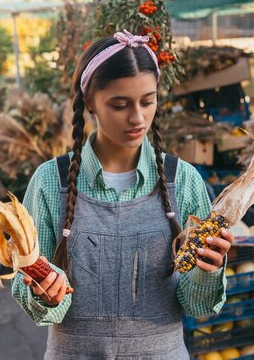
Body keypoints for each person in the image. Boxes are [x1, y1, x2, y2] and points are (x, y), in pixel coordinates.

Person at [12, 30, 232, 359]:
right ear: (89, 101)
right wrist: (46, 296)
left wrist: (209, 271)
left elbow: (196, 305)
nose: (137, 118)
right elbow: (25, 286)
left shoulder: (182, 181)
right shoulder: (50, 181)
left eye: (148, 100)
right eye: (119, 104)